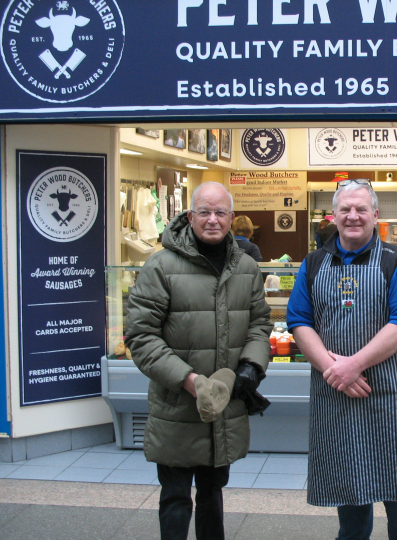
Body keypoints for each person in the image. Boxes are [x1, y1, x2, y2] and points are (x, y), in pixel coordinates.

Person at [125, 182, 272, 540]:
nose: (212, 220)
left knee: (212, 494)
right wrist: (189, 381)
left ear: (231, 218)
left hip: (223, 407)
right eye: (204, 212)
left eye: (220, 212)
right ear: (189, 216)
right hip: (176, 406)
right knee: (175, 497)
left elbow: (259, 323)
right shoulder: (161, 266)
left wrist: (252, 366)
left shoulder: (247, 267)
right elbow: (140, 336)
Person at [286, 179, 397, 540]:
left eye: (361, 209)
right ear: (333, 216)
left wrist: (353, 365)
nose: (353, 216)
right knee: (348, 482)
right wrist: (336, 371)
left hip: (389, 393)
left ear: (375, 215)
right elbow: (299, 321)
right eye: (345, 209)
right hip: (335, 391)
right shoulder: (314, 264)